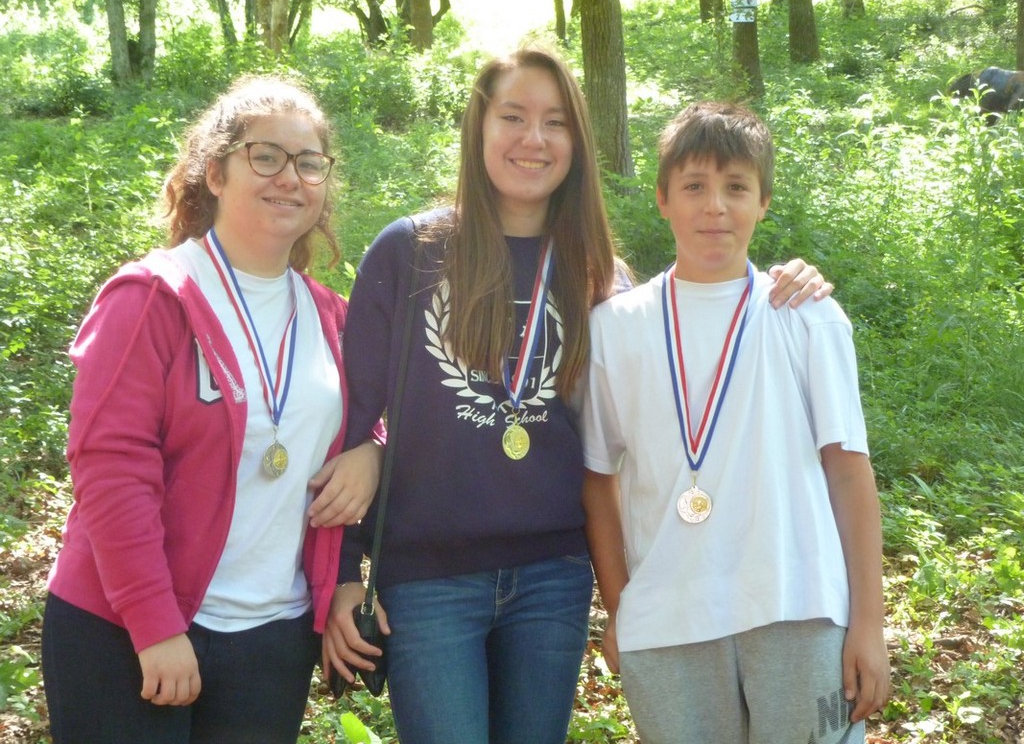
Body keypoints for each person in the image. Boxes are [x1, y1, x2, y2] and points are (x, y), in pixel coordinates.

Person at [319, 47, 834, 744]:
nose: (533, 139)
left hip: (552, 578)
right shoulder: (410, 252)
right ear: (478, 127)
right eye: (513, 116)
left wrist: (788, 281)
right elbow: (351, 425)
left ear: (577, 142)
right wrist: (343, 575)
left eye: (555, 121)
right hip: (429, 579)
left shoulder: (599, 276)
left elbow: (658, 421)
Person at [41, 74, 382, 744]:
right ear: (216, 173)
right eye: (266, 156)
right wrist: (154, 626)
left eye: (309, 162)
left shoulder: (332, 317)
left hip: (271, 641)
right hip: (126, 632)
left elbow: (368, 424)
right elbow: (110, 470)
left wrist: (374, 451)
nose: (290, 177)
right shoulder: (151, 298)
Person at [580, 101, 890, 743]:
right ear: (663, 199)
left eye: (737, 187)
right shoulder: (614, 327)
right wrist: (619, 606)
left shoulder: (808, 316)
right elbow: (597, 479)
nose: (715, 206)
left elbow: (849, 473)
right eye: (694, 186)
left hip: (800, 608)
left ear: (763, 202)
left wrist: (869, 623)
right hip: (667, 622)